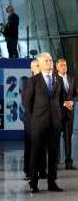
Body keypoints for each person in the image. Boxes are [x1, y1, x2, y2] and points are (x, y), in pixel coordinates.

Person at [24, 53, 65, 193]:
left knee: (53, 154)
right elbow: (27, 104)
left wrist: (57, 117)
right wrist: (34, 121)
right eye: (46, 61)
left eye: (50, 60)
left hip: (54, 124)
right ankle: (33, 182)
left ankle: (52, 182)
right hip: (39, 124)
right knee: (36, 153)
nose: (50, 62)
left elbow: (60, 101)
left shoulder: (57, 79)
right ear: (40, 64)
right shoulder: (33, 81)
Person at [22, 60, 46, 180]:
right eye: (37, 66)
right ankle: (28, 171)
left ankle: (42, 171)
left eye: (39, 66)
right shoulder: (28, 82)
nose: (39, 68)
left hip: (43, 120)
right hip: (31, 120)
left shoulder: (46, 82)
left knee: (42, 146)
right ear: (32, 69)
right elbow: (26, 103)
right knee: (30, 146)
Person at [56, 59, 77, 170]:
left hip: (69, 114)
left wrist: (72, 101)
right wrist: (64, 103)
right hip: (58, 113)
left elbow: (75, 94)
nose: (64, 67)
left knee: (68, 138)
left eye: (65, 65)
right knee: (55, 139)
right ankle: (55, 162)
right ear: (57, 67)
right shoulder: (54, 79)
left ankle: (68, 163)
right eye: (62, 65)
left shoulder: (71, 78)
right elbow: (52, 96)